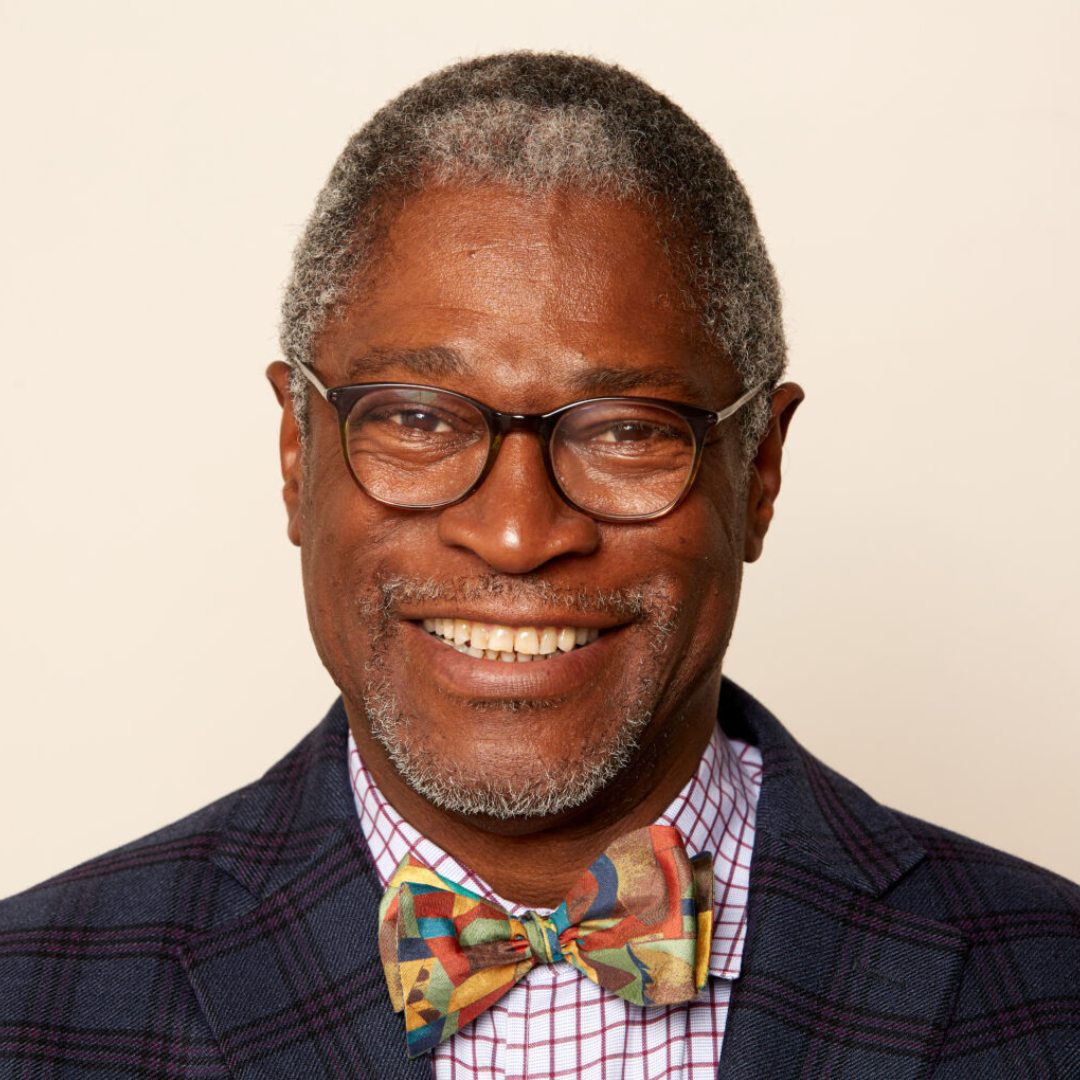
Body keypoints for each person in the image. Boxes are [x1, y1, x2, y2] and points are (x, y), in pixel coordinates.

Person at [1, 52, 1076, 1079]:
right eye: (417, 418)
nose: (518, 535)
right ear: (296, 451)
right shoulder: (31, 1006)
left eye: (624, 430)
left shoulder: (1052, 987)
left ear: (761, 471)